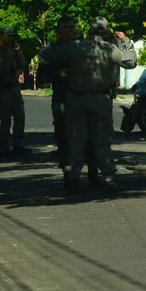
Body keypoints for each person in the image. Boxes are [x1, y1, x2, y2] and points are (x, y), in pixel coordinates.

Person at [40, 16, 137, 195]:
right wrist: (125, 41)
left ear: (90, 30)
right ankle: (108, 178)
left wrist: (60, 43)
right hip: (101, 100)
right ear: (105, 32)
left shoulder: (77, 47)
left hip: (76, 99)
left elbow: (46, 53)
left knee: (76, 141)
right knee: (102, 142)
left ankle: (73, 179)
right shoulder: (110, 49)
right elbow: (130, 62)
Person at [37, 17, 98, 184]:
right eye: (65, 28)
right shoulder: (51, 51)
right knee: (65, 139)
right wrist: (58, 75)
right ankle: (69, 177)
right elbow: (41, 77)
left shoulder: (82, 47)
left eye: (71, 27)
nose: (69, 30)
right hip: (62, 100)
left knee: (90, 138)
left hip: (84, 98)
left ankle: (94, 175)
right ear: (58, 32)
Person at [0, 25, 28, 159]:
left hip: (14, 87)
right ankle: (3, 147)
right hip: (2, 88)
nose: (11, 38)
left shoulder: (13, 51)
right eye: (9, 36)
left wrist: (18, 52)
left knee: (20, 116)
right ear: (2, 36)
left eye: (12, 36)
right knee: (5, 119)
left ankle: (18, 145)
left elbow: (22, 65)